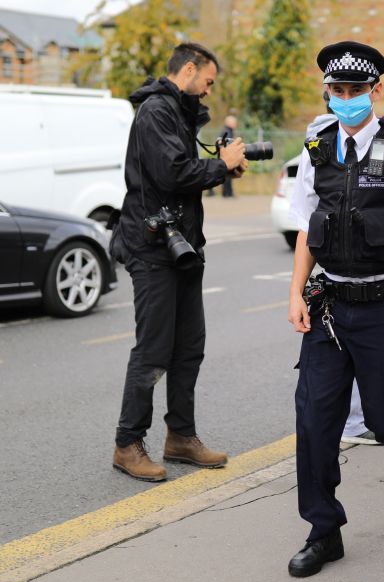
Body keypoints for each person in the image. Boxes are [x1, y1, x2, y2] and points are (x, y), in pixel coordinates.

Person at [285, 41, 384, 577]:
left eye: (356, 90)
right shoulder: (317, 147)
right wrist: (294, 294)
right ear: (327, 91)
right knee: (315, 417)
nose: (346, 99)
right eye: (337, 90)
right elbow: (309, 226)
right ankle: (324, 528)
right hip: (331, 306)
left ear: (376, 91)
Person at [108, 43, 247, 481]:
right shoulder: (155, 111)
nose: (208, 91)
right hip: (152, 249)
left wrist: (221, 167)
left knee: (189, 348)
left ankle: (180, 438)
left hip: (181, 247)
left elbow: (180, 171)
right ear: (189, 70)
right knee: (153, 351)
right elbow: (171, 174)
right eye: (207, 81)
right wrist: (219, 167)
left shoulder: (177, 111)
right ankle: (127, 444)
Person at [217, 114, 238, 197]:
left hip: (224, 157)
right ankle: (227, 193)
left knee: (227, 175)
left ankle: (227, 193)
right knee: (228, 175)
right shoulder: (227, 132)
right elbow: (228, 144)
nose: (236, 124)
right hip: (227, 157)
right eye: (234, 122)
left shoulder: (227, 131)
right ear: (230, 123)